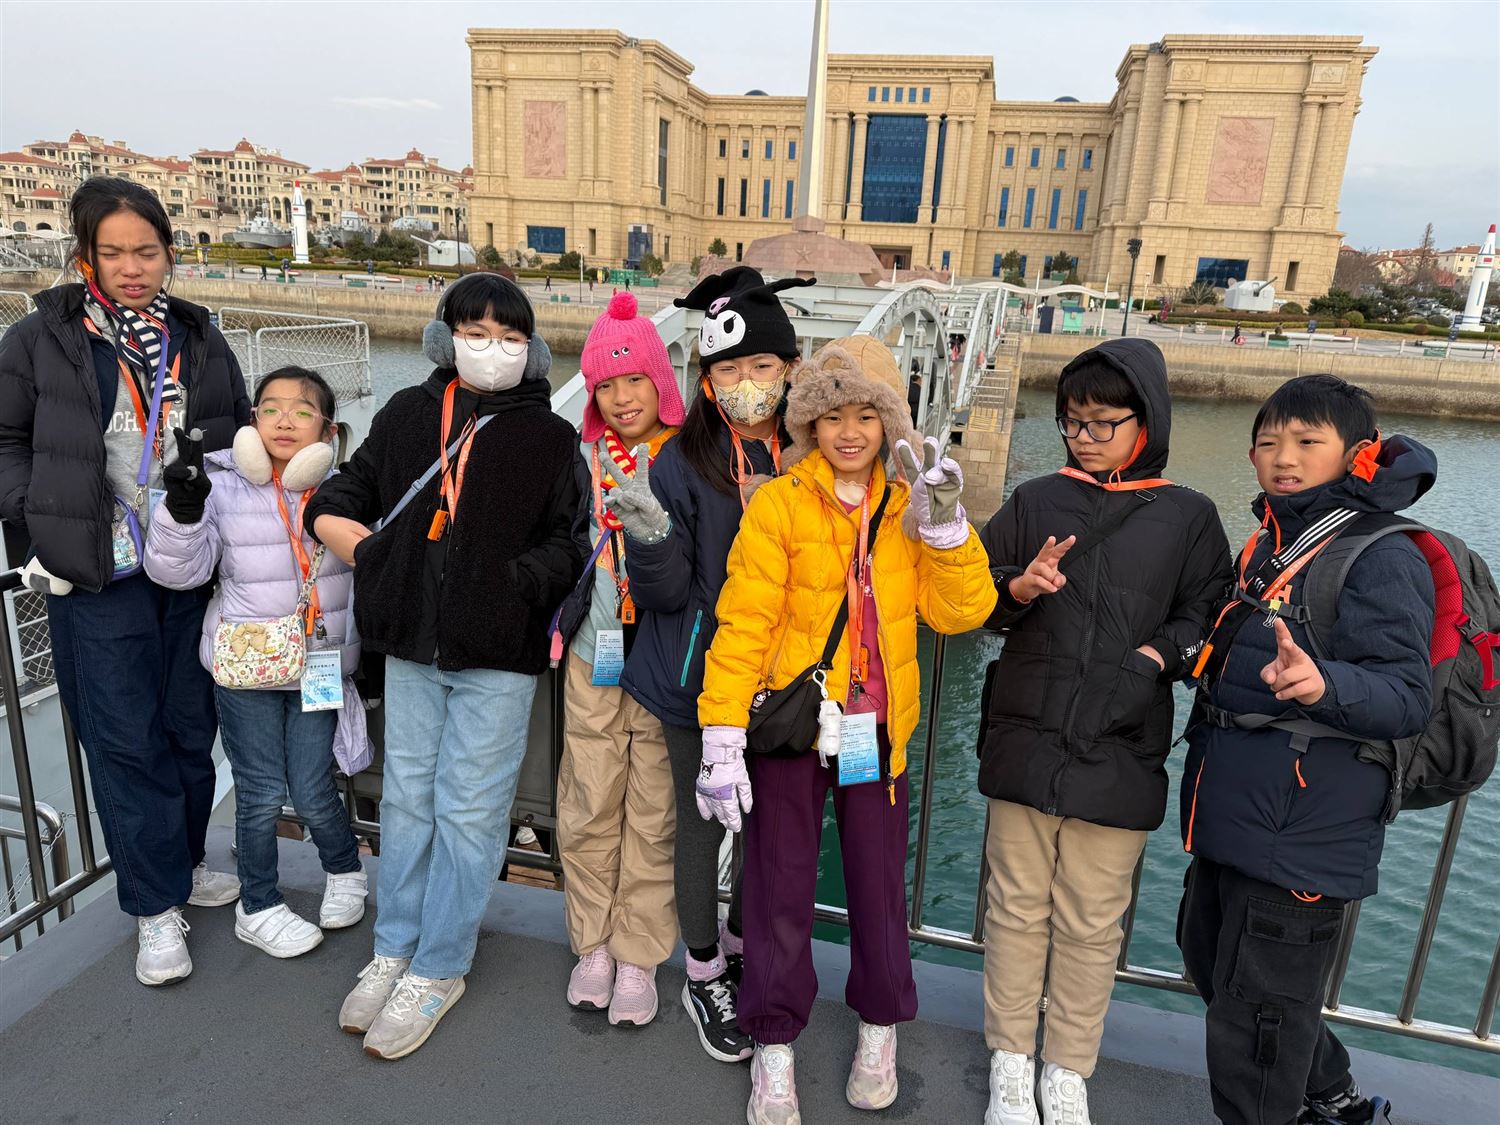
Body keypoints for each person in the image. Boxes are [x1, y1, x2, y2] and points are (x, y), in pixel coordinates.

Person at [696, 336, 997, 1122]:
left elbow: (962, 612)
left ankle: (879, 1028)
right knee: (777, 886)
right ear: (809, 424)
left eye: (867, 414)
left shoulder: (910, 506)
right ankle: (774, 1043)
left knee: (877, 885)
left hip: (876, 730)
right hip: (794, 722)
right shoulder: (779, 503)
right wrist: (722, 731)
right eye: (833, 416)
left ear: (891, 421)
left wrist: (947, 528)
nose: (850, 431)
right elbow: (745, 622)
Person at [305, 273, 585, 1059]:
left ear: (531, 349)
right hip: (411, 646)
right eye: (476, 331)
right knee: (405, 803)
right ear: (445, 337)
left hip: (498, 654)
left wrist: (513, 585)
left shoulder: (549, 435)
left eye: (510, 336)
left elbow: (570, 543)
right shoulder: (406, 413)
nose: (493, 348)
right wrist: (374, 556)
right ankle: (393, 946)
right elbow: (340, 494)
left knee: (470, 811)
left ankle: (440, 962)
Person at [0, 176, 250, 986]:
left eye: (146, 251)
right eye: (113, 253)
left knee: (188, 726)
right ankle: (152, 905)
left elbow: (239, 427)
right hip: (95, 573)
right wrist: (38, 528)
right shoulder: (40, 339)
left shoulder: (198, 336)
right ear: (86, 257)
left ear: (170, 252)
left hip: (187, 559)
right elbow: (4, 441)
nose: (133, 268)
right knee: (123, 737)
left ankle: (183, 862)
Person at [977, 338, 1232, 1125]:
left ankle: (1067, 1069)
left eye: (1100, 422)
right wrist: (1018, 588)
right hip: (1026, 735)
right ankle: (1011, 1059)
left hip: (1122, 740)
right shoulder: (1034, 500)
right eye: (1071, 421)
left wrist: (1158, 655)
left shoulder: (1189, 514)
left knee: (1091, 923)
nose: (1082, 437)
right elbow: (973, 597)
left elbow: (1209, 612)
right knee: (1014, 908)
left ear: (1145, 420)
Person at [1178, 375, 1435, 1125]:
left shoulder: (1380, 553)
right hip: (1240, 814)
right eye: (1268, 441)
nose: (1283, 457)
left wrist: (1324, 684)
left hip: (1304, 829)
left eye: (1306, 441)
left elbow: (1407, 696)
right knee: (1216, 961)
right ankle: (1331, 1096)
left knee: (1257, 1022)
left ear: (1357, 455)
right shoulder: (1272, 540)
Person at [605, 266, 813, 1065]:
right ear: (704, 378)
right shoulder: (682, 461)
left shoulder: (811, 455)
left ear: (791, 367)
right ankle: (701, 968)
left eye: (762, 365)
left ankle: (740, 940)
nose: (746, 383)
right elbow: (664, 594)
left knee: (767, 826)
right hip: (695, 679)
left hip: (782, 682)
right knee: (700, 825)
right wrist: (650, 535)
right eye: (728, 368)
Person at [144, 367, 367, 959]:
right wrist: (182, 512)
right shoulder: (219, 487)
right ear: (252, 422)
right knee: (262, 790)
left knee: (315, 787)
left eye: (303, 410)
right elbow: (176, 573)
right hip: (248, 668)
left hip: (319, 664)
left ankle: (345, 869)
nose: (285, 421)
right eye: (271, 408)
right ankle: (259, 903)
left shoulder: (346, 491)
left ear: (329, 429)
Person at [552, 292, 687, 1027]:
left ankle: (639, 952)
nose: (622, 396)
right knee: (589, 799)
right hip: (592, 652)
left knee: (654, 811)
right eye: (606, 383)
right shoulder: (580, 458)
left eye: (636, 378)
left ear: (661, 381)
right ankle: (594, 943)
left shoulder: (688, 457)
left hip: (663, 660)